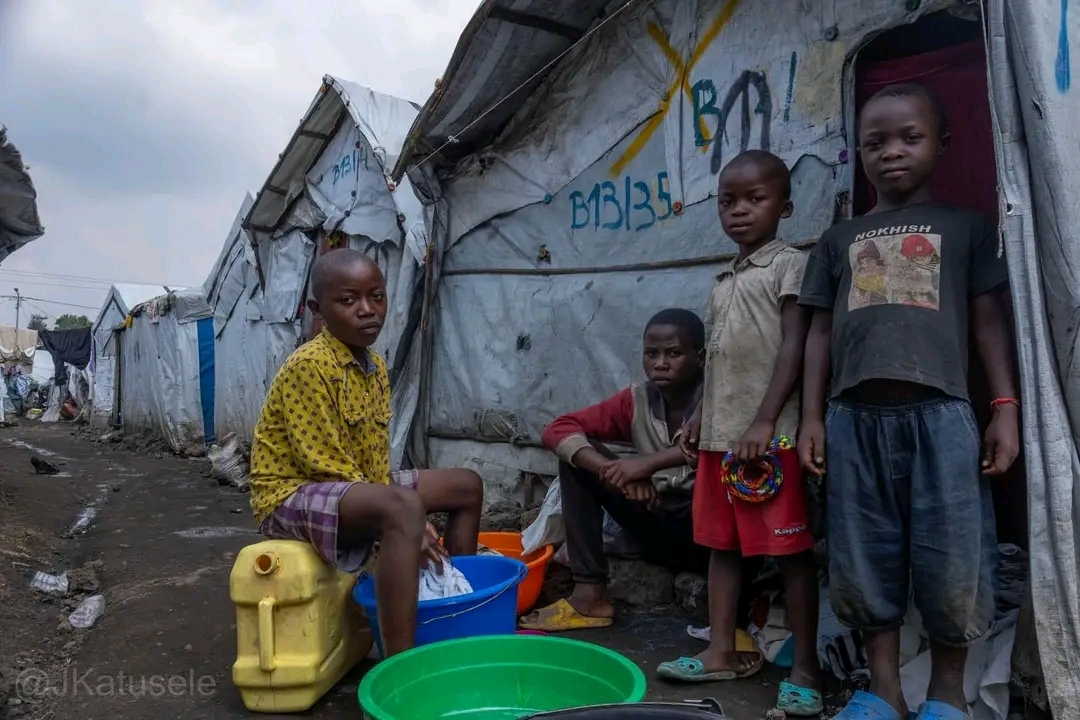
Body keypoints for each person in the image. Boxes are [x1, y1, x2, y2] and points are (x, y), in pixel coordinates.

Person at [797, 83, 1020, 720]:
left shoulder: (969, 228)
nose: (891, 153)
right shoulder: (838, 241)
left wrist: (1004, 405)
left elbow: (987, 324)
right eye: (875, 143)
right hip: (853, 418)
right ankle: (884, 691)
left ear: (942, 145)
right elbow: (818, 335)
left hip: (943, 416)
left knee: (955, 558)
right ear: (859, 152)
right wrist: (812, 416)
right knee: (862, 557)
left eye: (909, 138)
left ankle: (947, 694)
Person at [247, 247, 484, 658]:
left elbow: (374, 459)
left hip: (352, 483)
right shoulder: (310, 366)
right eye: (348, 300)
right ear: (317, 309)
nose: (367, 310)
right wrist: (408, 516)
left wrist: (407, 512)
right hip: (290, 494)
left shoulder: (373, 366)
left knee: (466, 486)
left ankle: (448, 602)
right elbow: (323, 468)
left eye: (377, 296)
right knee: (403, 509)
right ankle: (401, 663)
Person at [659, 150, 822, 717]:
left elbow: (796, 348)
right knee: (720, 547)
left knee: (792, 552)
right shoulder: (725, 277)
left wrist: (764, 421)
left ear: (785, 206)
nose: (740, 211)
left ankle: (805, 668)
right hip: (720, 440)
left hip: (768, 441)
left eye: (755, 199)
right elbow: (719, 359)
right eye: (729, 201)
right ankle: (721, 649)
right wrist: (700, 415)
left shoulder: (788, 266)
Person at [518, 308, 710, 632]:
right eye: (651, 354)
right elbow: (558, 429)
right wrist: (616, 472)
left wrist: (645, 464)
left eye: (674, 353)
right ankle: (590, 594)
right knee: (577, 459)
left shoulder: (719, 399)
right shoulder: (638, 400)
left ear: (701, 357)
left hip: (710, 535)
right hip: (657, 521)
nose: (660, 363)